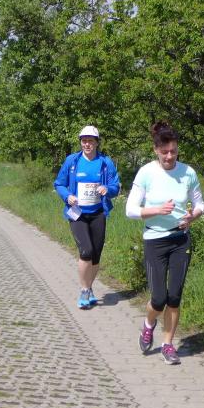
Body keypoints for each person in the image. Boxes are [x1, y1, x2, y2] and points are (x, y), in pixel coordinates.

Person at [125, 121, 204, 364]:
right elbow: (130, 210)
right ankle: (149, 323)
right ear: (155, 150)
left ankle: (168, 345)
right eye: (164, 152)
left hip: (180, 239)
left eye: (173, 151)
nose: (169, 156)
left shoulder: (188, 173)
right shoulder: (146, 172)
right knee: (158, 298)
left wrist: (193, 216)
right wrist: (157, 210)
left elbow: (200, 204)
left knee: (174, 297)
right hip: (155, 240)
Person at [54, 126, 121, 310]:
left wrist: (108, 189)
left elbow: (116, 186)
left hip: (98, 213)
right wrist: (67, 196)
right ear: (81, 142)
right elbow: (59, 183)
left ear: (97, 143)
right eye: (84, 141)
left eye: (91, 141)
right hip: (78, 214)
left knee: (96, 254)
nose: (87, 144)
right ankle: (84, 290)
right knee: (86, 251)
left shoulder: (105, 162)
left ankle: (89, 287)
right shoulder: (72, 161)